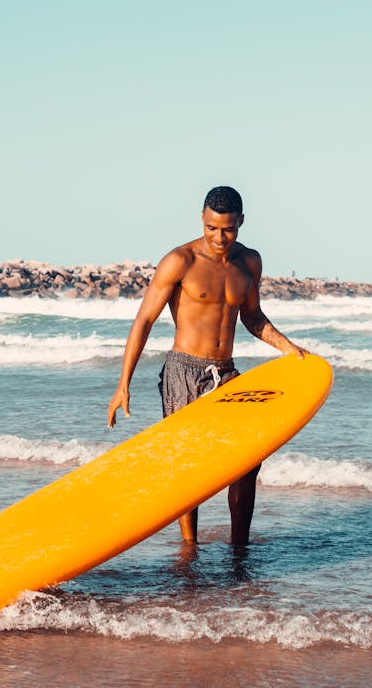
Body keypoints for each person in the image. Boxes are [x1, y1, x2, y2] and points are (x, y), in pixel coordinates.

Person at [107, 186, 308, 546]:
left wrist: (288, 348)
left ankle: (239, 549)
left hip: (226, 371)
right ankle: (189, 549)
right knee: (188, 467)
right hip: (183, 371)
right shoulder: (180, 261)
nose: (219, 237)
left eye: (228, 229)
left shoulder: (248, 263)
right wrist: (123, 385)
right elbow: (143, 321)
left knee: (248, 461)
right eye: (212, 228)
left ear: (241, 223)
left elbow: (253, 316)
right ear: (202, 218)